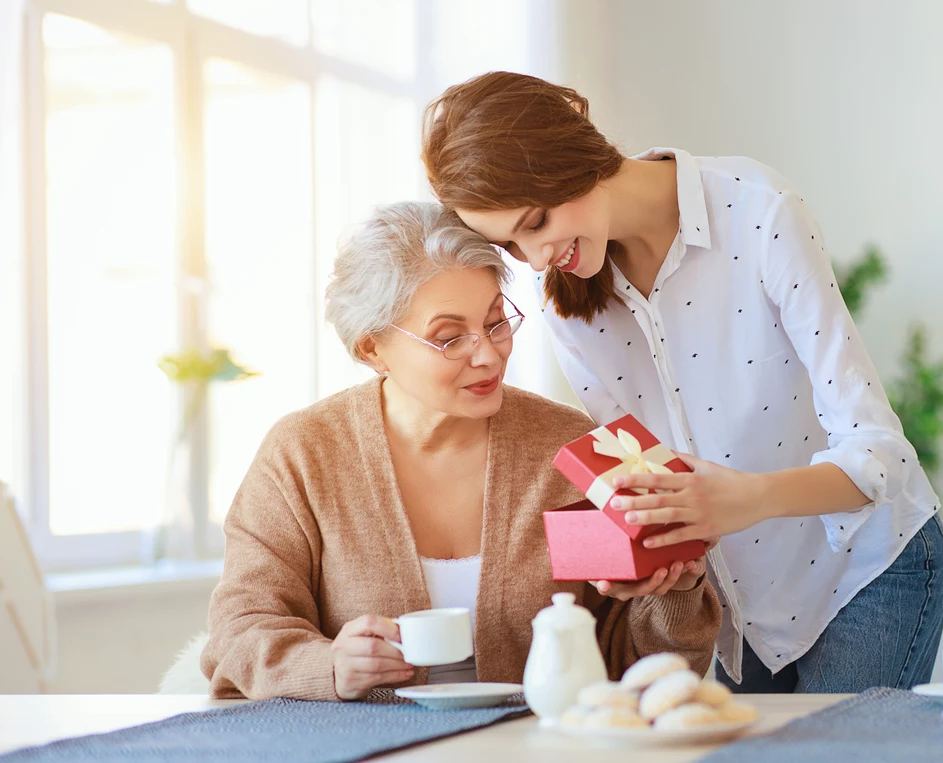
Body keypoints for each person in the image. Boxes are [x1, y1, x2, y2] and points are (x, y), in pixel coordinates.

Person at [420, 71, 943, 694]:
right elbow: (651, 478)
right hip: (741, 611)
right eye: (511, 245)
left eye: (535, 222)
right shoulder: (569, 306)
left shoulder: (757, 211)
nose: (536, 258)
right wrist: (652, 554)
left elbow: (880, 453)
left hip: (865, 571)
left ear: (574, 157)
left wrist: (743, 499)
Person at [200, 202, 721, 701]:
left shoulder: (571, 447)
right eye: (450, 338)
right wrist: (328, 665)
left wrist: (676, 587)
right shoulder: (303, 454)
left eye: (496, 322)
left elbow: (636, 667)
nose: (489, 354)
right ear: (372, 348)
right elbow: (239, 631)